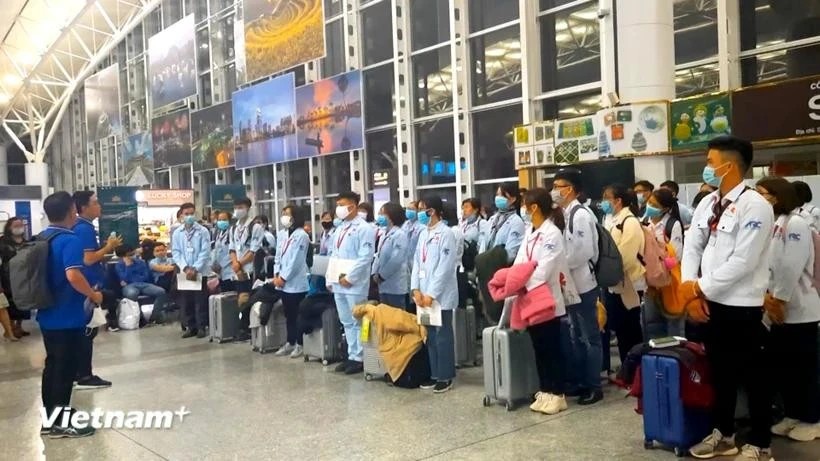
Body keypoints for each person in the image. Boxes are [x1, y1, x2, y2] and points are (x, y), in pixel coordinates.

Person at [681, 136, 775, 461]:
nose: (706, 168)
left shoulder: (756, 206)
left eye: (710, 162)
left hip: (743, 308)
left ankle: (761, 444)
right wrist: (689, 289)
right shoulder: (708, 203)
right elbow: (692, 246)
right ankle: (724, 434)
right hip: (710, 304)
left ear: (729, 165)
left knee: (753, 378)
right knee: (721, 375)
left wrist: (698, 289)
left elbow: (743, 261)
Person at [755, 177, 820, 443]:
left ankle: (812, 419)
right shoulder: (776, 223)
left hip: (800, 307)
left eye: (763, 194)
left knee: (804, 368)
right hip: (777, 306)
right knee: (785, 367)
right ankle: (793, 414)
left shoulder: (797, 224)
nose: (759, 200)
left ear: (778, 195)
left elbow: (791, 266)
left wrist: (778, 300)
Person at [38, 191, 103, 438]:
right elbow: (73, 275)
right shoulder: (70, 239)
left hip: (46, 313)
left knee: (52, 366)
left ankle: (50, 418)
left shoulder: (43, 237)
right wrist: (93, 295)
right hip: (68, 315)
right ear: (72, 211)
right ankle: (61, 423)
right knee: (65, 370)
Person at [515, 188, 573, 414]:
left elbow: (545, 269)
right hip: (529, 299)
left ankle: (558, 394)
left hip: (546, 299)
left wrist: (525, 283)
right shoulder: (530, 231)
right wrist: (515, 282)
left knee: (551, 349)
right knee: (538, 349)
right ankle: (545, 391)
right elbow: (521, 261)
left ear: (534, 207)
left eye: (524, 205)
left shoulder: (552, 233)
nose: (523, 210)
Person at [551, 168, 603, 405]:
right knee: (576, 335)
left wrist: (560, 263)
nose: (555, 191)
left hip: (583, 283)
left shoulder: (581, 215)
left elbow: (584, 251)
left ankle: (594, 385)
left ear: (570, 189)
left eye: (558, 186)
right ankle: (581, 381)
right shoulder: (565, 213)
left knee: (589, 336)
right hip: (570, 284)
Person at [72, 190, 120, 389]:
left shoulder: (82, 227)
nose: (99, 206)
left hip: (87, 285)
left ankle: (79, 372)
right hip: (88, 287)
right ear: (84, 207)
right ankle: (84, 375)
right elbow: (88, 258)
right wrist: (109, 247)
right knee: (87, 330)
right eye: (96, 202)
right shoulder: (83, 228)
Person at [411, 195, 458, 393]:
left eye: (423, 209)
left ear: (432, 211)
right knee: (429, 336)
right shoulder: (423, 233)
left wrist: (432, 293)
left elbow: (445, 267)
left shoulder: (446, 233)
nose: (420, 213)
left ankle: (446, 375)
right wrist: (415, 289)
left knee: (442, 335)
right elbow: (416, 262)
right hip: (422, 294)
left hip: (440, 295)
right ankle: (434, 373)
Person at [329, 191, 376, 375]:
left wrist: (350, 278)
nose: (339, 208)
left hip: (354, 284)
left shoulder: (364, 228)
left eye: (342, 204)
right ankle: (351, 354)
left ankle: (361, 357)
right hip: (338, 282)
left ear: (353, 206)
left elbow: (365, 257)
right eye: (338, 204)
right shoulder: (340, 228)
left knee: (358, 321)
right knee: (346, 321)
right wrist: (330, 277)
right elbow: (334, 254)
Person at [601, 184, 645, 365]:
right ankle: (627, 367)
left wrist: (610, 271)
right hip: (614, 283)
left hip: (629, 282)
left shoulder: (630, 222)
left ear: (618, 201)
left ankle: (635, 368)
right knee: (619, 327)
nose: (603, 202)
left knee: (631, 328)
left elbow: (626, 255)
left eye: (606, 198)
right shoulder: (610, 219)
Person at [641, 188, 685, 340]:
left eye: (655, 205)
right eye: (649, 202)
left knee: (673, 323)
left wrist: (659, 273)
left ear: (665, 208)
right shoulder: (644, 222)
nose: (650, 206)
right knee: (652, 324)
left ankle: (676, 357)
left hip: (669, 282)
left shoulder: (673, 225)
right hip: (649, 283)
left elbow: (676, 257)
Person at [272, 205, 311, 358]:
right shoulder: (282, 234)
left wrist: (284, 277)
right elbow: (278, 255)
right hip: (282, 282)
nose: (284, 217)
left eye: (287, 214)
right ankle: (290, 341)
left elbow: (296, 260)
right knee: (288, 314)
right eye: (283, 213)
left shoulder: (302, 235)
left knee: (298, 315)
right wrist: (276, 273)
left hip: (296, 282)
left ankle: (300, 344)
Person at [172, 202, 212, 339]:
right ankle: (191, 326)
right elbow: (176, 252)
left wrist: (195, 268)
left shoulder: (203, 231)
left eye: (192, 213)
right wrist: (185, 267)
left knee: (200, 300)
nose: (189, 216)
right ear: (181, 215)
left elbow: (205, 251)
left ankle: (202, 326)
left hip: (199, 271)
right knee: (186, 300)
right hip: (185, 272)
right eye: (186, 214)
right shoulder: (177, 233)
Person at [229, 197, 264, 339]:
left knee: (249, 299)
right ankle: (242, 327)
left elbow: (254, 250)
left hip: (251, 269)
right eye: (236, 207)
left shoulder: (255, 227)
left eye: (241, 207)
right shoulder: (234, 228)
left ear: (248, 208)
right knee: (240, 299)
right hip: (238, 270)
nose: (238, 210)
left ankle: (248, 328)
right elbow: (232, 248)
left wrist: (240, 263)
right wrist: (235, 264)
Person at [372, 202, 409, 310]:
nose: (379, 216)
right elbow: (378, 255)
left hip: (395, 284)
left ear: (392, 216)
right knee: (386, 317)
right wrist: (374, 273)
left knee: (397, 318)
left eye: (382, 213)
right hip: (382, 285)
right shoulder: (384, 233)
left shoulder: (399, 235)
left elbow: (396, 259)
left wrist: (382, 275)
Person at [0, 217, 31, 338]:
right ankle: (10, 328)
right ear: (9, 227)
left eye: (20, 225)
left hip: (23, 277)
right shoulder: (2, 242)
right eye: (16, 226)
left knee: (23, 303)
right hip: (7, 278)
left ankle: (19, 327)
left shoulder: (25, 242)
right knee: (10, 304)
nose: (19, 228)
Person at [484, 182, 526, 263]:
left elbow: (511, 252)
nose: (498, 198)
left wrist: (494, 262)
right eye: (497, 195)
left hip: (501, 266)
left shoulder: (516, 222)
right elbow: (484, 243)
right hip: (486, 265)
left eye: (502, 195)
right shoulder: (493, 219)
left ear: (513, 199)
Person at [211, 211, 235, 292]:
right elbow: (216, 250)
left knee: (230, 294)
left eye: (224, 220)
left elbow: (233, 251)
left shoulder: (232, 232)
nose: (222, 222)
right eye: (219, 220)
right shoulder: (218, 233)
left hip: (230, 270)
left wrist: (221, 264)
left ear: (229, 220)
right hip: (220, 272)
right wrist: (213, 264)